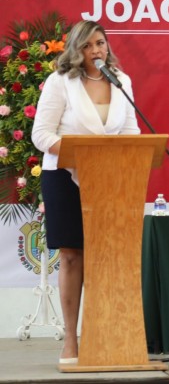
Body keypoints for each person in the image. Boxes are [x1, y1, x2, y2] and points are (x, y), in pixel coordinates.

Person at [31, 21, 141, 363]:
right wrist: (82, 154)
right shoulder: (60, 81)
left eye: (101, 43)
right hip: (65, 176)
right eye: (88, 44)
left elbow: (131, 130)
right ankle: (71, 339)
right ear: (76, 49)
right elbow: (41, 134)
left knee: (106, 257)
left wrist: (125, 157)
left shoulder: (121, 81)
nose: (96, 50)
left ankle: (104, 336)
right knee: (72, 255)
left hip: (109, 178)